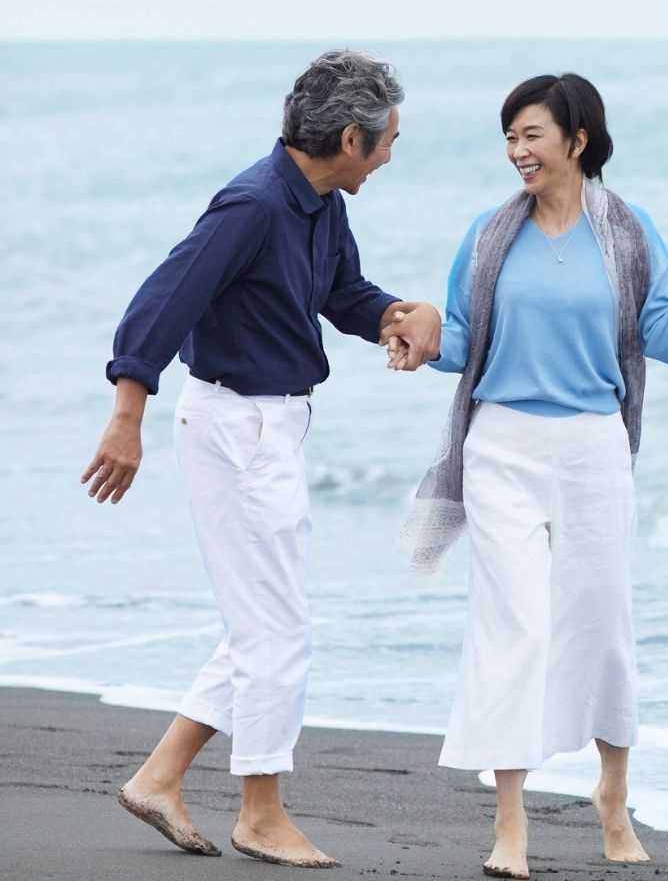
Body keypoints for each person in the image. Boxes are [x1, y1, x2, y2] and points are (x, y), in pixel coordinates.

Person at [390, 73, 668, 880]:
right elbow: (463, 342)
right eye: (509, 137)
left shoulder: (629, 234)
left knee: (600, 625)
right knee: (515, 625)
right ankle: (510, 822)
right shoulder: (491, 235)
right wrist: (420, 338)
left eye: (531, 135)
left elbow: (662, 340)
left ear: (577, 140)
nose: (517, 151)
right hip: (501, 446)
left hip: (596, 449)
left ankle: (613, 795)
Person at [81, 50, 441, 869]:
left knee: (263, 623)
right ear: (350, 137)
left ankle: (160, 777)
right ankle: (261, 813)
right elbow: (160, 301)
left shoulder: (316, 202)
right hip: (235, 427)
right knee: (277, 630)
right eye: (387, 140)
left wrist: (394, 313)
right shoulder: (250, 204)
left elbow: (339, 291)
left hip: (272, 428)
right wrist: (124, 417)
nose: (390, 153)